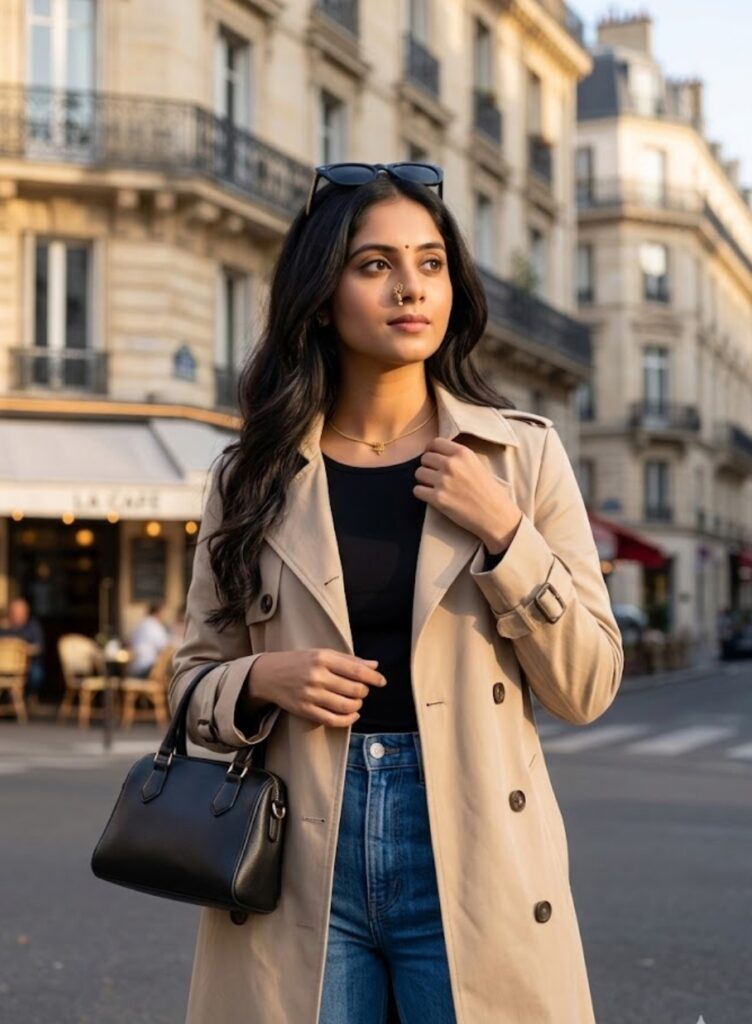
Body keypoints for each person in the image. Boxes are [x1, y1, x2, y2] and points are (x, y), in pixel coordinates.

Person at [170, 162, 624, 1024]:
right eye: (375, 264)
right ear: (321, 291)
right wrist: (261, 680)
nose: (410, 287)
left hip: (474, 843)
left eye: (430, 262)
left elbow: (589, 685)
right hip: (296, 850)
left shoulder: (517, 458)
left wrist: (506, 536)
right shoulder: (253, 474)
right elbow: (190, 680)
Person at [7, 598, 45, 701]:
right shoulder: (4, 627)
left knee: (36, 672)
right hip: (5, 666)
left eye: (21, 612)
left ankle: (30, 696)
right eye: (15, 612)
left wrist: (23, 650)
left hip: (28, 662)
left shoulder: (33, 626)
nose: (18, 615)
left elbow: (39, 647)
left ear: (26, 613)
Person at [128, 602, 170, 678]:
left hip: (134, 668)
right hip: (147, 669)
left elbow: (131, 643)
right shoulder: (155, 626)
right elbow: (165, 647)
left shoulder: (141, 624)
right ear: (158, 613)